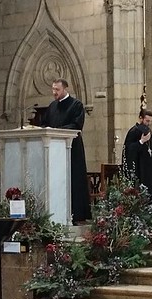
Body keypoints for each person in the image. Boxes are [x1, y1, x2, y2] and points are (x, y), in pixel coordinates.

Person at [40, 78, 91, 224]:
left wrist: (56, 131)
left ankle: (77, 215)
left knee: (74, 180)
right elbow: (44, 124)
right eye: (53, 89)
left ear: (65, 89)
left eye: (57, 89)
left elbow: (77, 125)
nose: (54, 92)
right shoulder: (52, 106)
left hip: (72, 149)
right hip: (54, 151)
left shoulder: (76, 105)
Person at [122, 109, 152, 201]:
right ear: (140, 118)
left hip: (149, 168)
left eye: (150, 121)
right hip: (140, 169)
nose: (148, 123)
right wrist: (141, 141)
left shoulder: (148, 131)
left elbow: (151, 147)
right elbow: (129, 149)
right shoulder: (133, 131)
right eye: (147, 121)